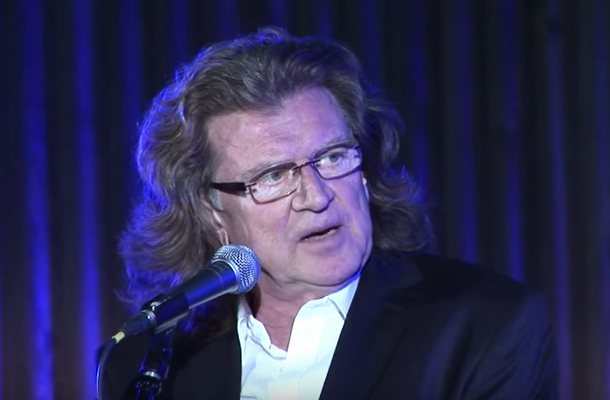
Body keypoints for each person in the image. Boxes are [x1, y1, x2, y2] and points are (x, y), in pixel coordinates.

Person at [102, 27, 557, 399]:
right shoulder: (150, 367)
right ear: (212, 210)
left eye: (333, 157)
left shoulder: (485, 328)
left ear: (365, 172)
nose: (316, 196)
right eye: (274, 176)